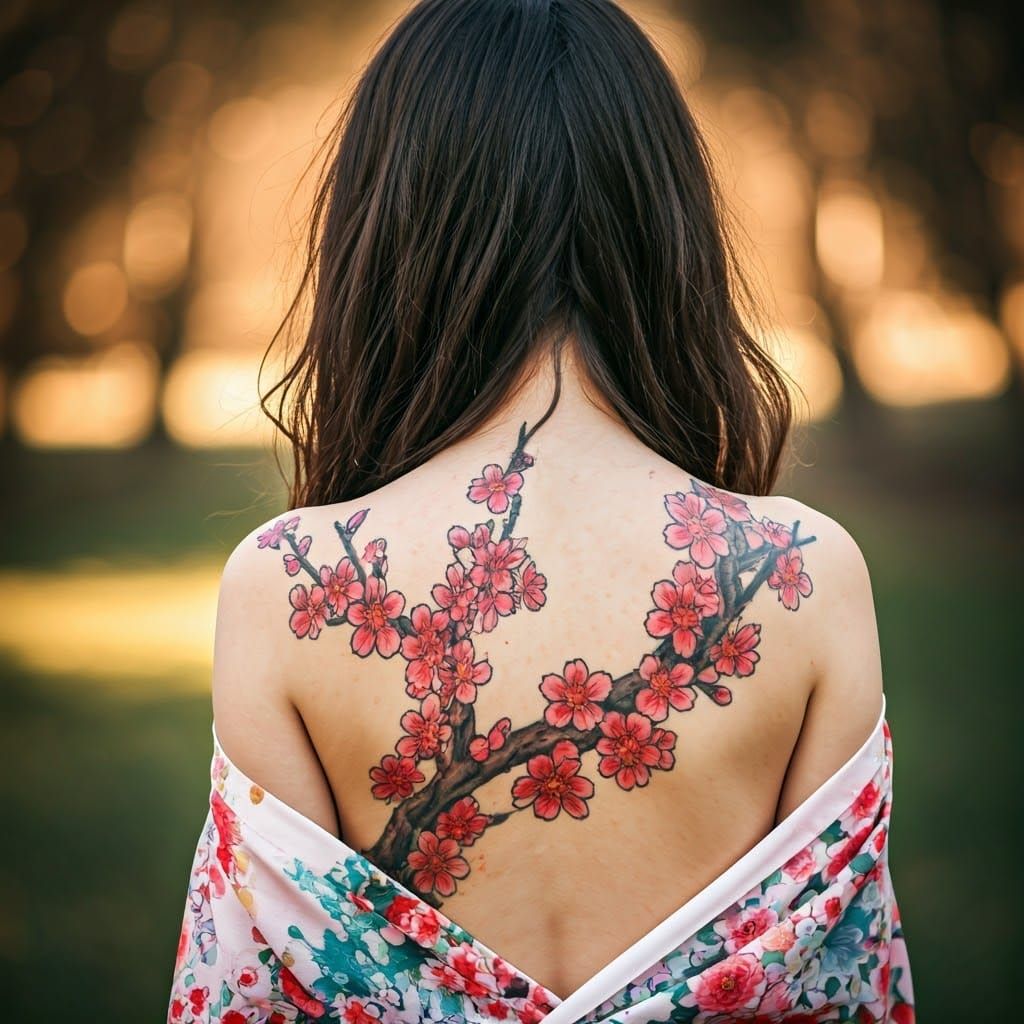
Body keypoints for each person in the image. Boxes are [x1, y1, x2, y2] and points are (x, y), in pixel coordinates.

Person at [169, 1, 914, 1020]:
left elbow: (248, 998)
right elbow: (850, 994)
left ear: (384, 227)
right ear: (667, 228)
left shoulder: (284, 582)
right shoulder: (807, 575)